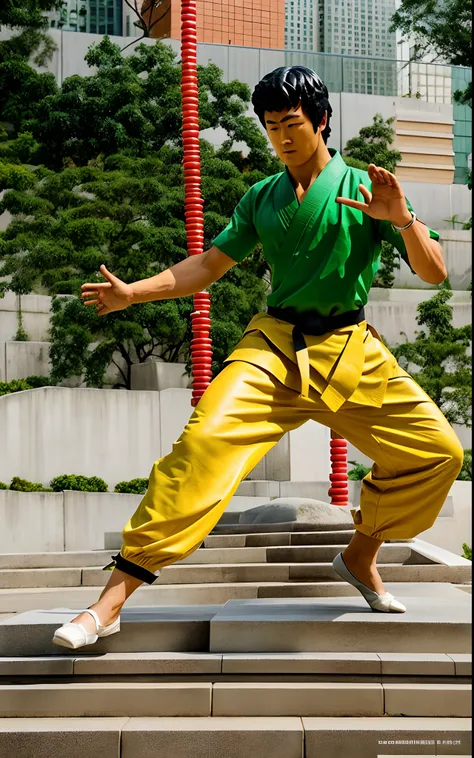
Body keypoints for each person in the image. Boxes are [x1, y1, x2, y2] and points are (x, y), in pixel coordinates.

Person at [53, 66, 463, 649]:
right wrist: (132, 293)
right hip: (273, 349)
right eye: (271, 127)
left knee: (437, 453)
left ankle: (361, 555)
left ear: (321, 121)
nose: (282, 137)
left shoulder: (369, 191)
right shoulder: (261, 198)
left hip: (351, 351)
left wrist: (402, 219)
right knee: (199, 449)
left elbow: (436, 271)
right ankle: (109, 603)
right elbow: (207, 266)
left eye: (292, 124)